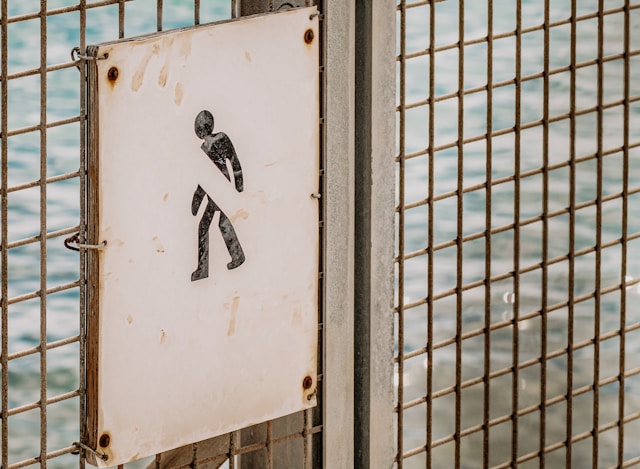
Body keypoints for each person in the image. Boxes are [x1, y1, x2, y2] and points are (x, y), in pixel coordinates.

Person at [191, 110, 245, 282]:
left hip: (216, 188)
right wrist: (238, 183)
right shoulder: (222, 138)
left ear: (199, 130)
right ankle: (236, 255)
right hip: (219, 186)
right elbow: (234, 161)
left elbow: (205, 178)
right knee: (221, 222)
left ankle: (204, 268)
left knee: (206, 226)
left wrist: (197, 200)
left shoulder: (207, 146)